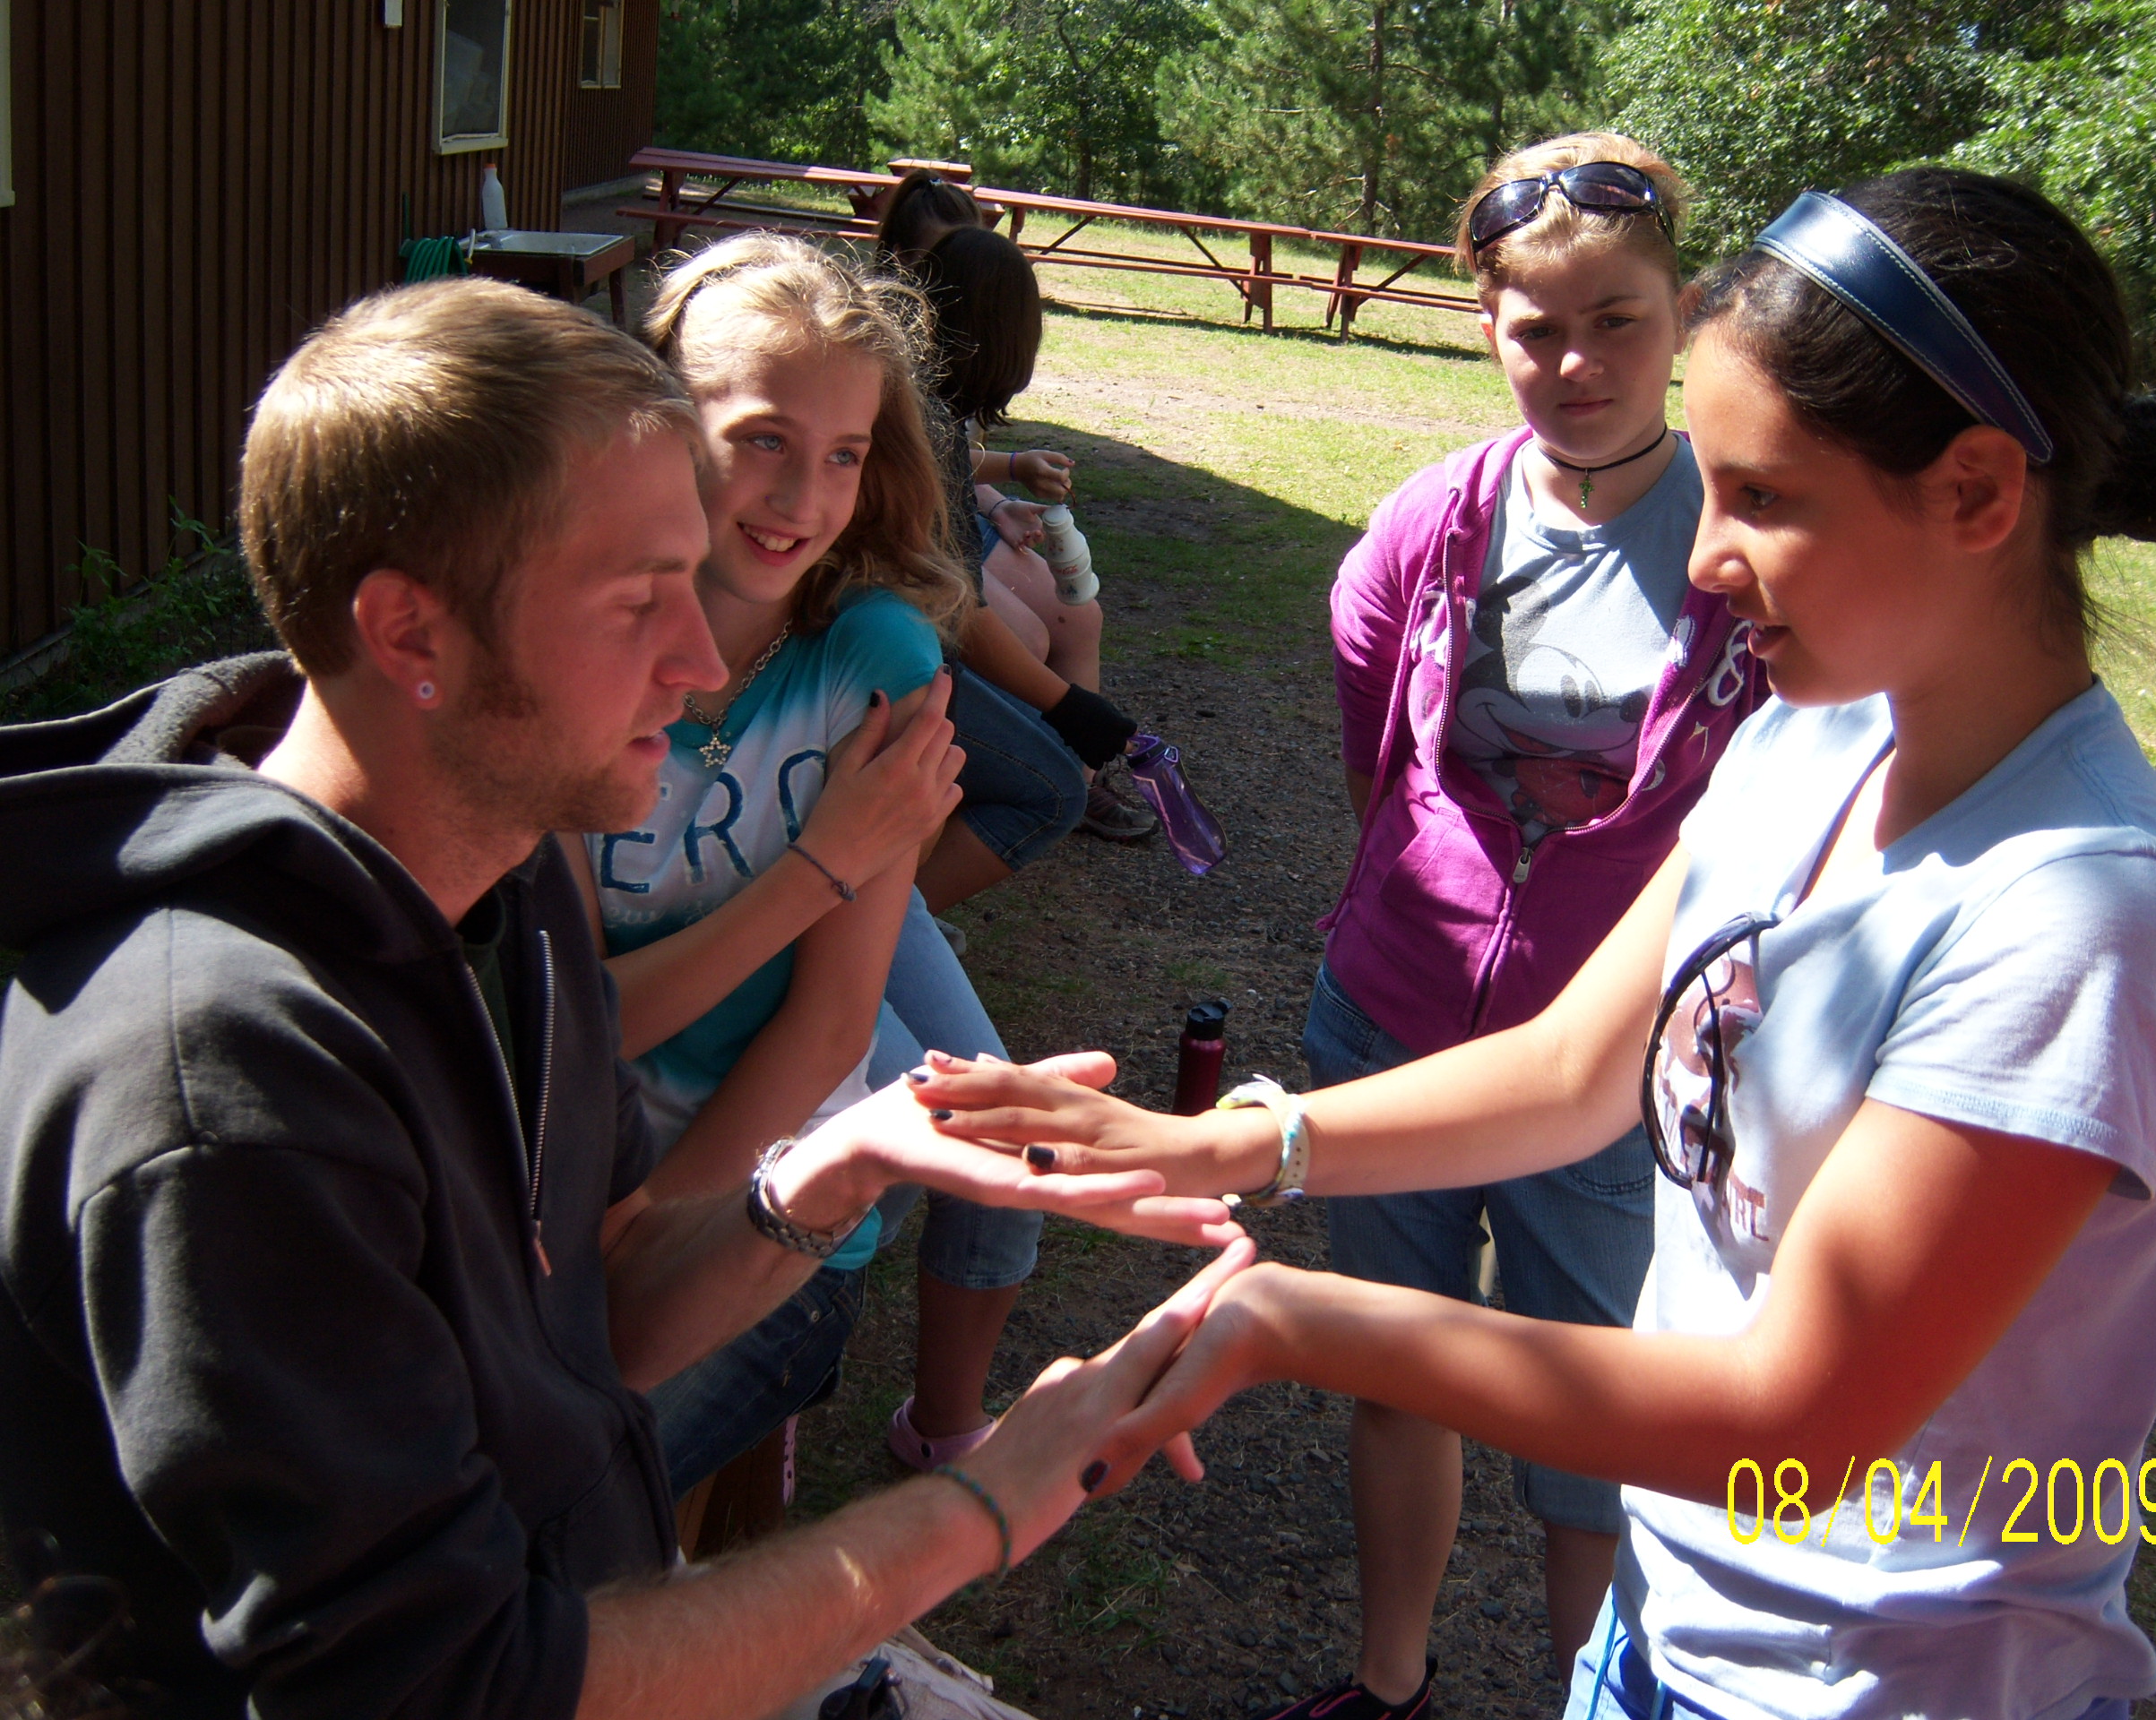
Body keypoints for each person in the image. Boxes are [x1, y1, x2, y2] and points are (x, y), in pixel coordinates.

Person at [916, 168, 2156, 1720]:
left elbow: (1797, 1424)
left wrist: (1293, 1319)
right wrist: (1225, 1144)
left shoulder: (2080, 920)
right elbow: (1570, 1071)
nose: (1705, 559)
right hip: (1664, 1636)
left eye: (1764, 499)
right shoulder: (1818, 738)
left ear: (1974, 495)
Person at [0, 275, 1246, 1719]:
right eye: (637, 599)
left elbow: (589, 1318)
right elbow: (460, 1683)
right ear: (411, 636)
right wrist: (973, 1509)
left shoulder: (510, 879)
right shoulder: (225, 1091)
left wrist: (833, 1170)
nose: (703, 660)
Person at [1268, 132, 1761, 1712]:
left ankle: (1587, 1696)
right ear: (1485, 324)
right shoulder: (1430, 523)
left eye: (1619, 319)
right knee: (1395, 1374)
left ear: (1682, 313)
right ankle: (1388, 1685)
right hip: (1392, 1024)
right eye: (1537, 326)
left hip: (1613, 1076)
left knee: (1590, 1428)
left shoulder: (1747, 542)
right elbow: (1378, 764)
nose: (1576, 363)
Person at [593, 231, 1052, 1485]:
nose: (803, 499)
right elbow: (569, 1022)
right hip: (573, 1172)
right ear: (657, 419)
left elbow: (834, 1023)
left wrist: (648, 1241)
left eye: (844, 455)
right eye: (762, 440)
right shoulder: (580, 641)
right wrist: (820, 868)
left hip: (761, 1203)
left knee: (565, 1512)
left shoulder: (877, 666)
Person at [918, 224, 1160, 859]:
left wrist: (1000, 497)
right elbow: (958, 609)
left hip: (929, 577)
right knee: (1049, 782)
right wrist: (1073, 710)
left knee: (1073, 613)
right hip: (900, 621)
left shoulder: (933, 404)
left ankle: (1070, 771)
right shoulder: (916, 410)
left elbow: (953, 469)